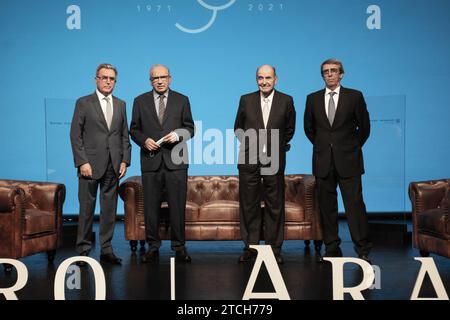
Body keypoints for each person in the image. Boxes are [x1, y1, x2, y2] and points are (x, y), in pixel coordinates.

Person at [303, 58, 372, 263]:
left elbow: (365, 128)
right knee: (327, 207)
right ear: (322, 75)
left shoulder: (354, 96)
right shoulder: (312, 98)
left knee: (355, 206)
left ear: (341, 74)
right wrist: (325, 146)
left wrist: (350, 147)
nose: (330, 74)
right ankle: (332, 248)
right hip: (323, 161)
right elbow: (309, 129)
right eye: (326, 71)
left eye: (334, 71)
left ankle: (363, 248)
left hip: (349, 160)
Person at [130, 64, 195, 263]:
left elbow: (190, 128)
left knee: (177, 207)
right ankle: (153, 246)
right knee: (151, 208)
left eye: (163, 77)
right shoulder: (139, 101)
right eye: (155, 78)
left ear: (170, 78)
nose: (159, 81)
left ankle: (179, 247)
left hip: (176, 163)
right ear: (150, 81)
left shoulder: (182, 100)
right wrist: (144, 140)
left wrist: (177, 135)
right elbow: (134, 129)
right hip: (151, 163)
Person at [234, 64, 296, 264]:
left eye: (268, 77)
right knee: (249, 206)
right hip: (249, 160)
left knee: (274, 206)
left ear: (276, 79)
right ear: (256, 80)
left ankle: (273, 249)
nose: (264, 82)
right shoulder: (246, 99)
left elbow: (289, 130)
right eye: (260, 78)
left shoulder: (286, 101)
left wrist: (274, 147)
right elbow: (238, 128)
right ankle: (251, 248)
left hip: (274, 160)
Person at [70, 63, 131, 265]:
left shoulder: (121, 104)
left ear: (115, 81)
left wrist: (125, 160)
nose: (107, 81)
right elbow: (75, 135)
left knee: (109, 211)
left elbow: (124, 135)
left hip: (113, 166)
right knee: (87, 209)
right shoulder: (84, 103)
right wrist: (82, 162)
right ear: (96, 79)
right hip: (89, 166)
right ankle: (83, 250)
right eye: (104, 77)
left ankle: (106, 249)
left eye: (111, 78)